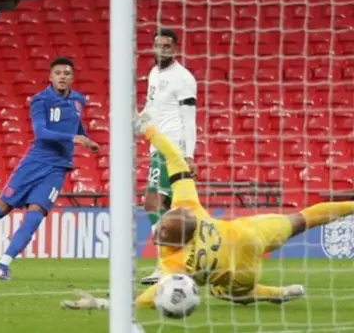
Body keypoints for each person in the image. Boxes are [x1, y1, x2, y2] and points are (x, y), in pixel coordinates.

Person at [62, 109, 354, 309]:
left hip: (243, 266)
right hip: (249, 231)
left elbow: (146, 299)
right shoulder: (188, 207)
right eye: (162, 226)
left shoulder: (180, 263)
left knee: (224, 292)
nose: (158, 231)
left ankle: (276, 293)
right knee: (302, 219)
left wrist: (100, 304)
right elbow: (176, 160)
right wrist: (148, 130)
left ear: (177, 241)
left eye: (163, 232)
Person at [0, 56, 100, 280]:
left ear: (72, 78)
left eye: (67, 73)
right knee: (2, 208)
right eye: (58, 73)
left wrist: (87, 141)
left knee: (36, 214)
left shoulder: (79, 100)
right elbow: (41, 133)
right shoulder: (41, 100)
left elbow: (76, 125)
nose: (63, 76)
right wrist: (75, 138)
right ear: (50, 77)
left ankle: (3, 264)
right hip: (34, 163)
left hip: (57, 169)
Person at [140, 28, 198, 285]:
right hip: (157, 145)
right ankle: (181, 263)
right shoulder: (154, 73)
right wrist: (137, 121)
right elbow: (152, 108)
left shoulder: (183, 78)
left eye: (166, 46)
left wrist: (189, 155)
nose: (161, 50)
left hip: (171, 148)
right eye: (157, 45)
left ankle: (165, 264)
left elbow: (189, 119)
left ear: (175, 48)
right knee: (173, 211)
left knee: (152, 203)